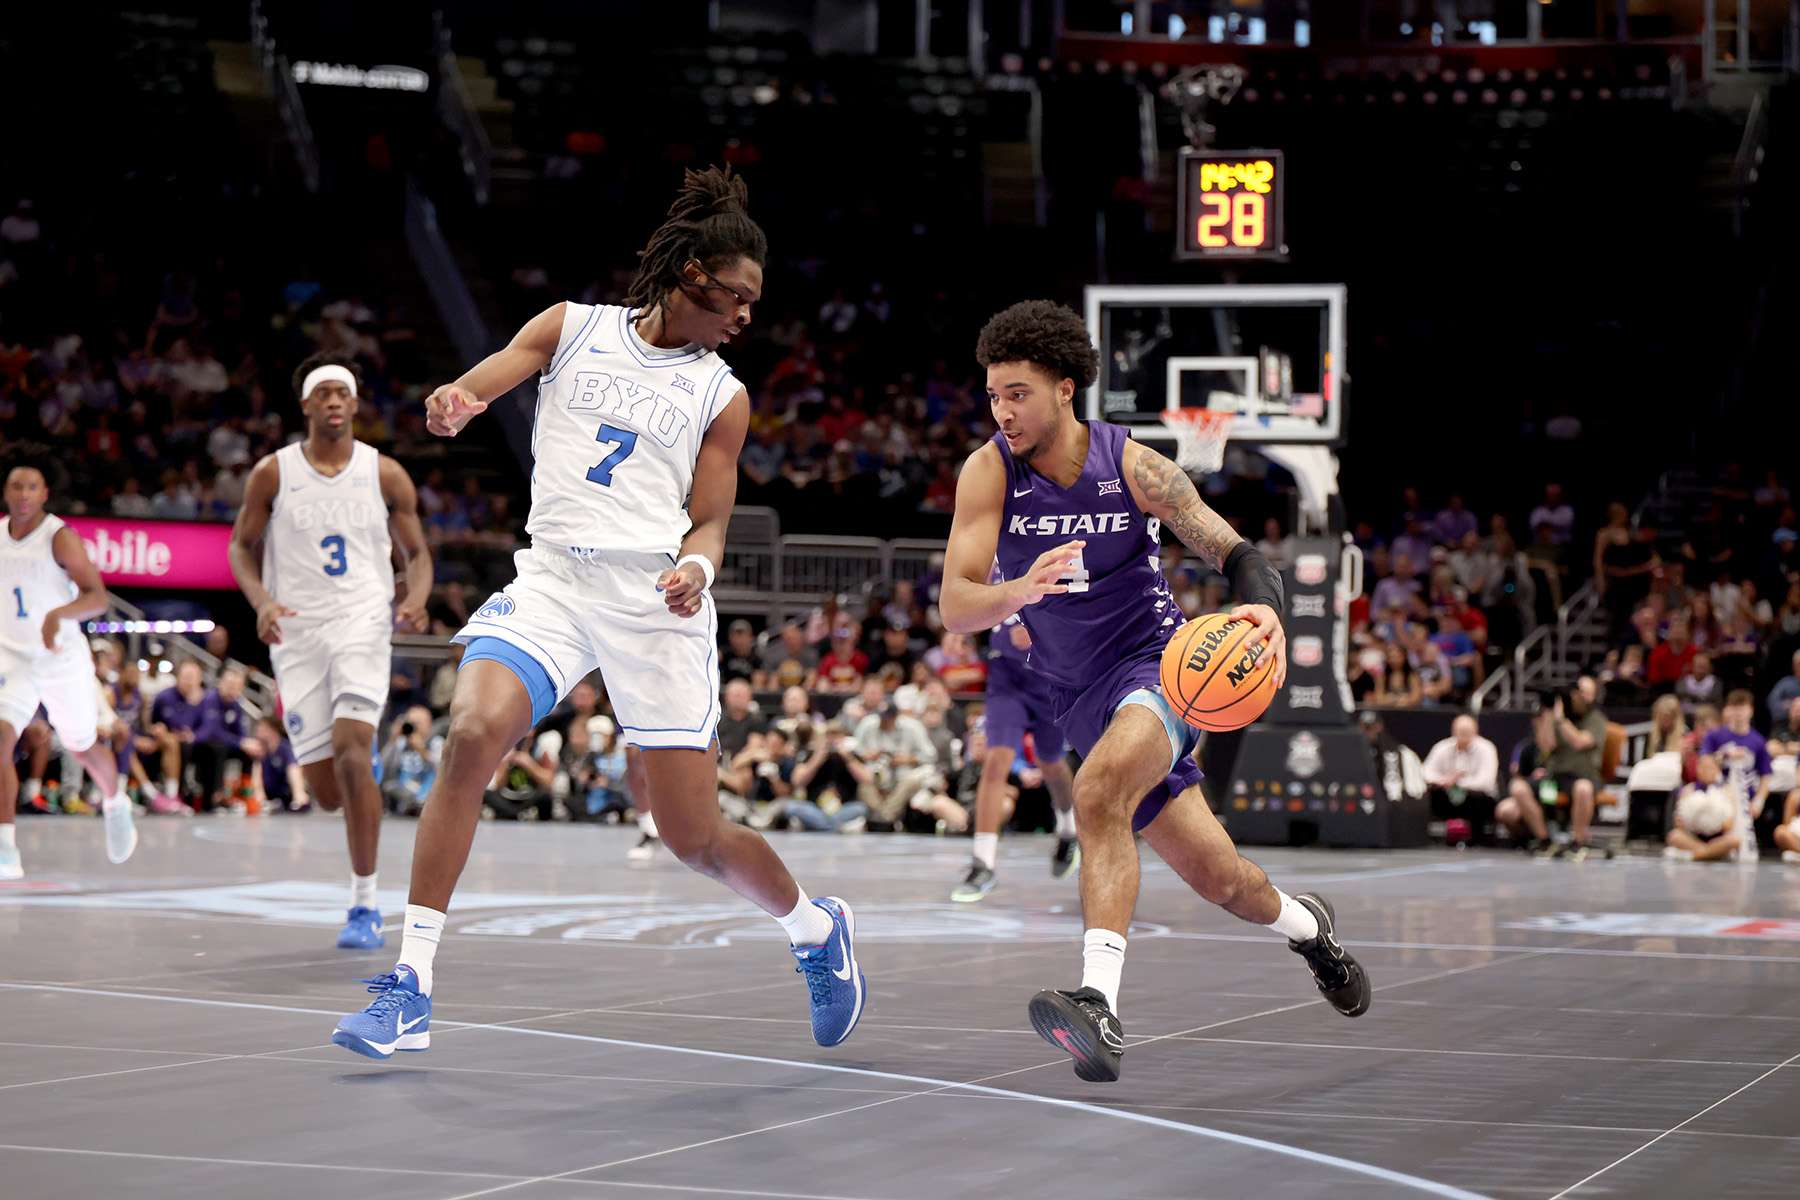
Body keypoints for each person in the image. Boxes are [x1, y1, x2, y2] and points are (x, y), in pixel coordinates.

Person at [334, 167, 864, 1060]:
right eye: (733, 296)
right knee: (470, 734)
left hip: (654, 600)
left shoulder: (721, 393)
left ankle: (815, 930)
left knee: (693, 838)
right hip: (555, 580)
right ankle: (413, 984)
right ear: (689, 274)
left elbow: (712, 514)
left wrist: (698, 565)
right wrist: (457, 400)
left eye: (752, 303)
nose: (744, 316)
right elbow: (487, 378)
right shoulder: (572, 327)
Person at [940, 300, 1368, 1083]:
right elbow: (954, 604)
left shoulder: (1135, 468)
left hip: (1159, 668)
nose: (1002, 410)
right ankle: (1312, 930)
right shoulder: (988, 471)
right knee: (1225, 882)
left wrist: (1266, 613)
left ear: (1066, 388)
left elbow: (1239, 556)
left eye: (1018, 393)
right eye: (993, 394)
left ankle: (1098, 1006)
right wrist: (1017, 592)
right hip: (1077, 698)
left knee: (1098, 793)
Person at [229, 352, 432, 950]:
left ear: (356, 403)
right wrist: (262, 600)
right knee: (324, 792)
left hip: (362, 622)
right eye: (326, 393)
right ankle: (357, 773)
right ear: (307, 405)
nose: (336, 401)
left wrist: (416, 597)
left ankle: (364, 905)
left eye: (345, 392)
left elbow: (417, 554)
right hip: (295, 631)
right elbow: (241, 548)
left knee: (350, 750)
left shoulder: (384, 472)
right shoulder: (273, 472)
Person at [0, 463, 139, 878]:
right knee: (1, 737)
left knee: (80, 745)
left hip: (59, 657)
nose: (23, 494)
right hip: (13, 657)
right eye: (16, 486)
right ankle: (6, 846)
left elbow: (98, 597)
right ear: (6, 493)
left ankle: (115, 800)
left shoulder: (59, 537)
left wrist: (59, 613)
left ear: (44, 494)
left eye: (32, 487)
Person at [950, 610, 1077, 902]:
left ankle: (1068, 830)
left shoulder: (1063, 565)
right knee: (996, 759)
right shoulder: (992, 565)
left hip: (1051, 679)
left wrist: (1044, 636)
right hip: (1006, 678)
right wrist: (958, 629)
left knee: (1050, 763)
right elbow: (967, 590)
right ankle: (983, 864)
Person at [1545, 676, 1613, 860]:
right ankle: (1543, 839)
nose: (1579, 697)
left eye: (1585, 693)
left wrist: (1561, 721)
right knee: (1525, 788)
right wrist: (1548, 715)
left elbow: (1579, 742)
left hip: (1586, 776)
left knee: (1582, 788)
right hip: (1557, 778)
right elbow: (1547, 746)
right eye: (1577, 692)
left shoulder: (1596, 719)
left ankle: (1578, 841)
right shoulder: (1558, 716)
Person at [1700, 689, 1772, 862]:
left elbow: (1766, 775)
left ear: (1750, 710)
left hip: (1745, 796)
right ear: (1727, 710)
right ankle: (1711, 849)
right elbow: (1704, 763)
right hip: (1719, 791)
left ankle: (1709, 851)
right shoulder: (1715, 736)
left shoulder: (1758, 741)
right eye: (1734, 707)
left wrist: (1759, 801)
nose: (1738, 713)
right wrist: (1724, 756)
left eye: (1742, 708)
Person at [1421, 714, 1500, 838]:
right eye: (1460, 731)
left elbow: (1487, 782)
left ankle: (1476, 837)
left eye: (1467, 731)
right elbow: (1425, 772)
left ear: (1475, 731)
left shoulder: (1487, 748)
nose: (1463, 735)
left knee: (1478, 799)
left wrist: (1458, 782)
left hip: (1478, 799)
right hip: (1448, 795)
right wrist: (1444, 780)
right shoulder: (1442, 747)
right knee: (1430, 794)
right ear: (1453, 731)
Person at [1496, 707, 1555, 851]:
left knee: (1545, 796)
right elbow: (1518, 777)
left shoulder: (1562, 746)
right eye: (1539, 719)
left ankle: (1549, 835)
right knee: (1505, 811)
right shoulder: (1526, 748)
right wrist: (1531, 778)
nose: (1542, 723)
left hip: (1552, 790)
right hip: (1530, 792)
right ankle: (1526, 839)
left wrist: (1548, 774)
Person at [1664, 755, 1742, 862]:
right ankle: (1710, 853)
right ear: (1697, 770)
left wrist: (1714, 823)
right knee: (1674, 836)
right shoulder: (1688, 790)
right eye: (1703, 767)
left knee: (1734, 841)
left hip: (1716, 838)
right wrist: (1690, 822)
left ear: (1717, 770)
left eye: (1710, 768)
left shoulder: (1726, 791)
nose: (1706, 771)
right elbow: (1678, 823)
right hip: (1694, 837)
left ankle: (1694, 856)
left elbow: (1729, 824)